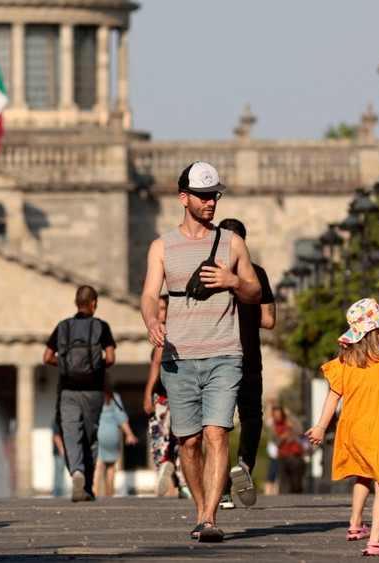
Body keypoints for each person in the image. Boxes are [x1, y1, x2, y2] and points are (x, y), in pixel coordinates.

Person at [140, 162, 261, 542]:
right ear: (184, 198)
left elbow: (255, 293)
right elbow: (147, 295)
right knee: (188, 442)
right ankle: (200, 508)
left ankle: (209, 517)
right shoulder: (161, 247)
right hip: (179, 359)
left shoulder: (232, 243)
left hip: (225, 353)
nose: (211, 202)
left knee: (216, 434)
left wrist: (233, 281)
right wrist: (151, 322)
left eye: (215, 196)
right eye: (204, 196)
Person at [306, 298, 379, 556]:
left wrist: (321, 427)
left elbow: (333, 397)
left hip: (352, 429)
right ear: (375, 332)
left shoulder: (344, 363)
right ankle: (376, 541)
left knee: (363, 474)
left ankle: (355, 525)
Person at [217, 218, 276, 509]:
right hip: (250, 355)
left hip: (218, 356)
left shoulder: (211, 274)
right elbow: (269, 320)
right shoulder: (259, 274)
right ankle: (245, 466)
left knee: (219, 423)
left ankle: (223, 492)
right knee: (251, 415)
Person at [43, 285, 116, 502]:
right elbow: (110, 358)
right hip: (93, 391)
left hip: (68, 390)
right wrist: (93, 367)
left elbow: (47, 357)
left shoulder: (63, 327)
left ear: (76, 303)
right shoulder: (101, 327)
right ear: (93, 304)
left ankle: (76, 471)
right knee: (90, 438)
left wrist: (66, 364)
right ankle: (87, 489)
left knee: (71, 434)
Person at [144, 294, 187, 498]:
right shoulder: (181, 330)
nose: (159, 313)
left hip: (163, 395)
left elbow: (155, 364)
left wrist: (147, 393)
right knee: (180, 438)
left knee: (160, 437)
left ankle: (164, 469)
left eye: (162, 308)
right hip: (180, 392)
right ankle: (182, 484)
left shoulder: (162, 333)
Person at [94, 383, 138, 498]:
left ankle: (94, 492)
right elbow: (121, 417)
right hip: (112, 434)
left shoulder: (93, 396)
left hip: (98, 433)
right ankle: (109, 495)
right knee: (111, 466)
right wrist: (129, 434)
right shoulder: (114, 397)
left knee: (97, 465)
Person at [269, 404, 306, 493]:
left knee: (296, 483)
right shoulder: (272, 426)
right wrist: (284, 436)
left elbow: (301, 431)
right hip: (282, 456)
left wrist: (291, 425)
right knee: (283, 482)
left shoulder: (290, 420)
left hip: (295, 455)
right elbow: (275, 442)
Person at [51, 419, 65, 497]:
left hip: (68, 453)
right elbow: (56, 437)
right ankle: (57, 495)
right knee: (59, 474)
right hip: (60, 453)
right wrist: (62, 451)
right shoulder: (57, 421)